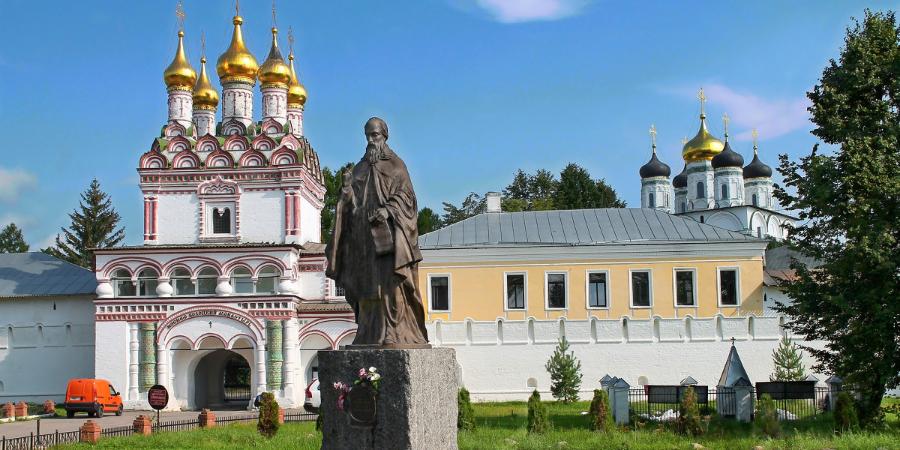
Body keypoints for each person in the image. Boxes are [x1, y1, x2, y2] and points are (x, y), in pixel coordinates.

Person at [325, 117, 429, 346]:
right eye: (368, 136)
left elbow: (408, 199)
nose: (371, 140)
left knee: (391, 286)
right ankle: (368, 332)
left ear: (384, 135)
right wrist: (346, 190)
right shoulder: (360, 168)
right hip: (363, 239)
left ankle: (395, 331)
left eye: (375, 135)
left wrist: (388, 210)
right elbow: (352, 205)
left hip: (388, 238)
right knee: (366, 287)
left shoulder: (396, 165)